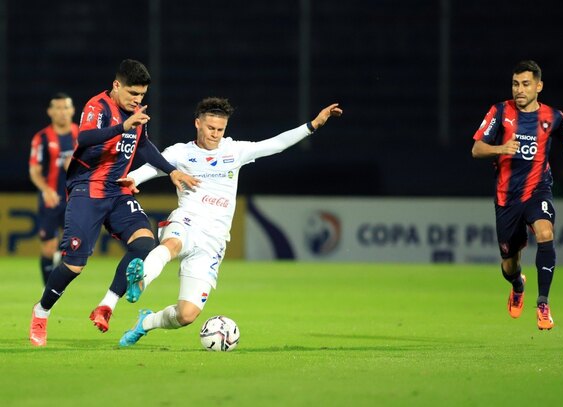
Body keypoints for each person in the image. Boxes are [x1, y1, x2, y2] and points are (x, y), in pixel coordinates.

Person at [116, 97, 342, 347]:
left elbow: (275, 145)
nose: (215, 134)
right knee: (172, 244)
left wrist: (313, 125)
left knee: (186, 314)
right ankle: (140, 281)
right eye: (210, 128)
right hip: (188, 219)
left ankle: (146, 323)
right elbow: (149, 168)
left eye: (220, 130)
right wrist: (132, 179)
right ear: (197, 124)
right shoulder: (179, 153)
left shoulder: (234, 151)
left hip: (214, 240)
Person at [29, 59, 199, 346]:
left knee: (145, 245)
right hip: (88, 189)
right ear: (116, 85)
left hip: (118, 190)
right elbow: (84, 139)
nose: (138, 100)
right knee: (74, 265)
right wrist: (123, 126)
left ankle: (106, 305)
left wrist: (171, 170)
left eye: (142, 95)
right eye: (133, 93)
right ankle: (41, 311)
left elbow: (142, 145)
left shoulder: (136, 112)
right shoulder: (97, 106)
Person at [472, 60, 563, 330]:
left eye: (526, 84)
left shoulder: (553, 117)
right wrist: (501, 148)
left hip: (538, 189)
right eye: (515, 84)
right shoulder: (500, 112)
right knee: (508, 265)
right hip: (506, 198)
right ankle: (518, 285)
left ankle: (543, 303)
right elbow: (477, 149)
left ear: (539, 86)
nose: (519, 90)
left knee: (545, 233)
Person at [29, 93, 78, 285]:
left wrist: (74, 167)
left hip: (76, 199)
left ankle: (60, 261)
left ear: (72, 110)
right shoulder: (41, 138)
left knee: (74, 244)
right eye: (57, 108)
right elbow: (34, 170)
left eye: (66, 107)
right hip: (50, 199)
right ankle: (46, 290)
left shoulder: (81, 135)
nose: (62, 112)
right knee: (48, 249)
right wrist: (46, 190)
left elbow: (94, 165)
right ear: (50, 112)